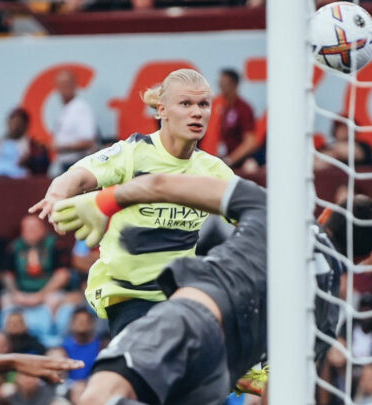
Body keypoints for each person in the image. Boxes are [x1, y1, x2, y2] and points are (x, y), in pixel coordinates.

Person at [49, 172, 372, 405]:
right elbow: (278, 401)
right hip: (216, 378)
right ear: (358, 258)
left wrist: (103, 201)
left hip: (192, 321)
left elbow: (160, 183)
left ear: (326, 213)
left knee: (96, 399)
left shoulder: (275, 210)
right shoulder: (329, 310)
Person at [30, 69, 234, 338]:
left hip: (178, 294)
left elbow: (254, 216)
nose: (196, 112)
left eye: (203, 104)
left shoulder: (214, 170)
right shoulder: (132, 153)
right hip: (127, 293)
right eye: (186, 104)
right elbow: (77, 177)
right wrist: (56, 197)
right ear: (162, 110)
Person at [0, 107, 50, 178]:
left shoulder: (33, 145)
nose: (15, 126)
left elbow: (43, 167)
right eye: (13, 122)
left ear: (26, 125)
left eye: (18, 122)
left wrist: (30, 161)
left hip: (19, 184)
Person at [52, 70, 97, 173]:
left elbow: (88, 142)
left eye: (66, 84)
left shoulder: (81, 109)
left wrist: (60, 147)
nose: (63, 89)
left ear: (74, 85)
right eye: (60, 85)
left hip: (78, 164)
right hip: (65, 164)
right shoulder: (65, 109)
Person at [215, 68, 258, 168]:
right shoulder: (215, 105)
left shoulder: (243, 108)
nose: (221, 87)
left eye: (225, 83)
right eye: (220, 83)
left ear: (234, 84)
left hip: (236, 161)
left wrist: (230, 160)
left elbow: (250, 141)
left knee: (250, 167)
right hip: (215, 157)